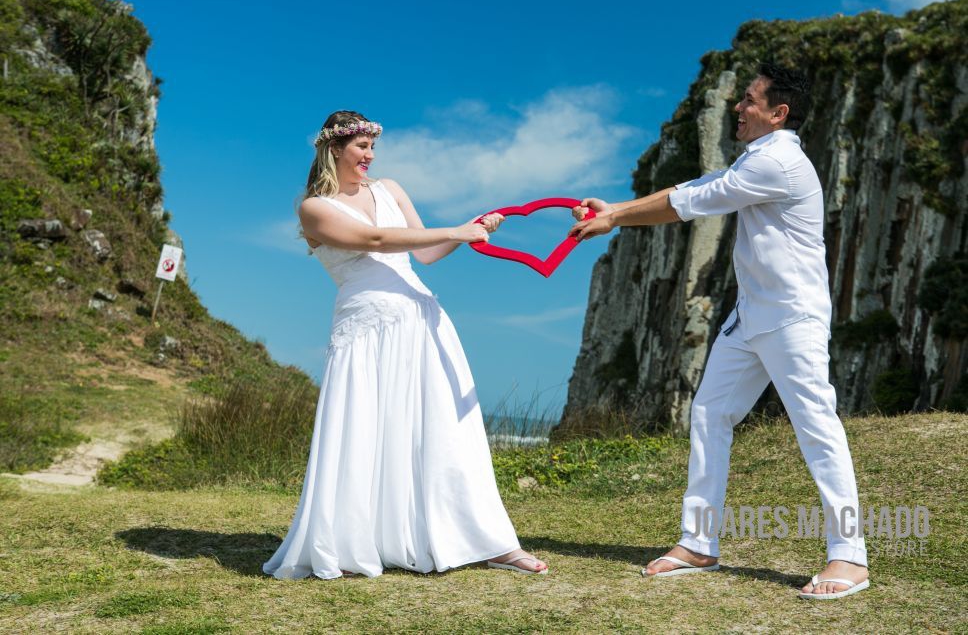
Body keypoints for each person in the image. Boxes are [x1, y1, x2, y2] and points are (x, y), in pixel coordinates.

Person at [570, 63, 869, 600]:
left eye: (749, 100)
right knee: (710, 413)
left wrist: (614, 219)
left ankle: (849, 557)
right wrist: (615, 207)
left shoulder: (780, 161)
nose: (738, 106)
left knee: (815, 425)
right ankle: (699, 543)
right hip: (750, 316)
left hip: (793, 316)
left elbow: (694, 202)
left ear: (778, 113)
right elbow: (702, 184)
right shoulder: (756, 159)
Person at [263, 110, 548, 579]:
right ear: (334, 149)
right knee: (366, 433)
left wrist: (470, 227)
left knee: (447, 432)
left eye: (372, 147)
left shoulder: (390, 189)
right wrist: (455, 229)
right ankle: (362, 541)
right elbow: (375, 239)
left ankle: (493, 542)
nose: (369, 156)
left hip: (421, 319)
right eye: (360, 147)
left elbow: (426, 254)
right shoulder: (313, 208)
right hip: (366, 329)